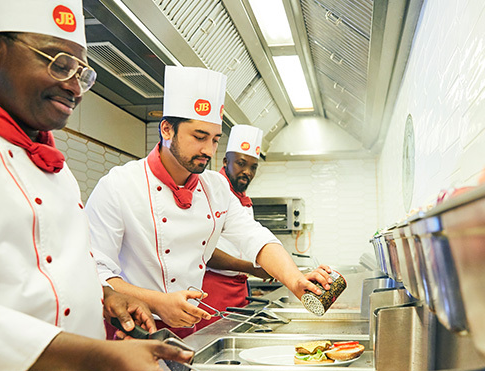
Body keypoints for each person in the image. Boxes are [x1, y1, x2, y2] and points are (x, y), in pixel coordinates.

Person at [0, 1, 191, 371]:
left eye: (82, 72)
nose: (75, 86)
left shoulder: (56, 169)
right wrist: (98, 355)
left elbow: (56, 266)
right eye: (59, 62)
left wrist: (107, 295)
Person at [86, 65, 333, 338]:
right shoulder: (119, 185)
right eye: (199, 137)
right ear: (167, 129)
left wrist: (295, 280)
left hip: (189, 327)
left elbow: (254, 237)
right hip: (133, 331)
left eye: (215, 140)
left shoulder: (215, 188)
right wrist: (158, 302)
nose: (208, 150)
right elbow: (95, 270)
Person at [199, 124, 271, 329]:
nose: (247, 172)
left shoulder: (242, 199)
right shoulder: (209, 191)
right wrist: (252, 268)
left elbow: (250, 237)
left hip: (240, 289)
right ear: (225, 161)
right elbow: (205, 251)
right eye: (241, 163)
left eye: (253, 166)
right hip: (212, 289)